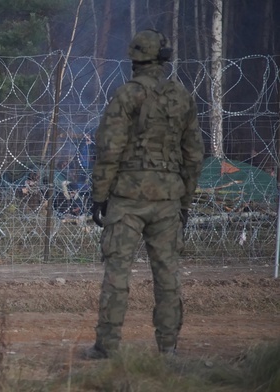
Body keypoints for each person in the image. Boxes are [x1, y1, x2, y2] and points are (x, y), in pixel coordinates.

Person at [83, 29, 204, 359]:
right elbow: (194, 154)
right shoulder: (182, 96)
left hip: (127, 198)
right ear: (163, 57)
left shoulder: (127, 95)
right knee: (167, 276)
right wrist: (185, 201)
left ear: (134, 57)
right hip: (167, 198)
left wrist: (99, 195)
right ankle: (168, 348)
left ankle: (106, 346)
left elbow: (109, 149)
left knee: (117, 273)